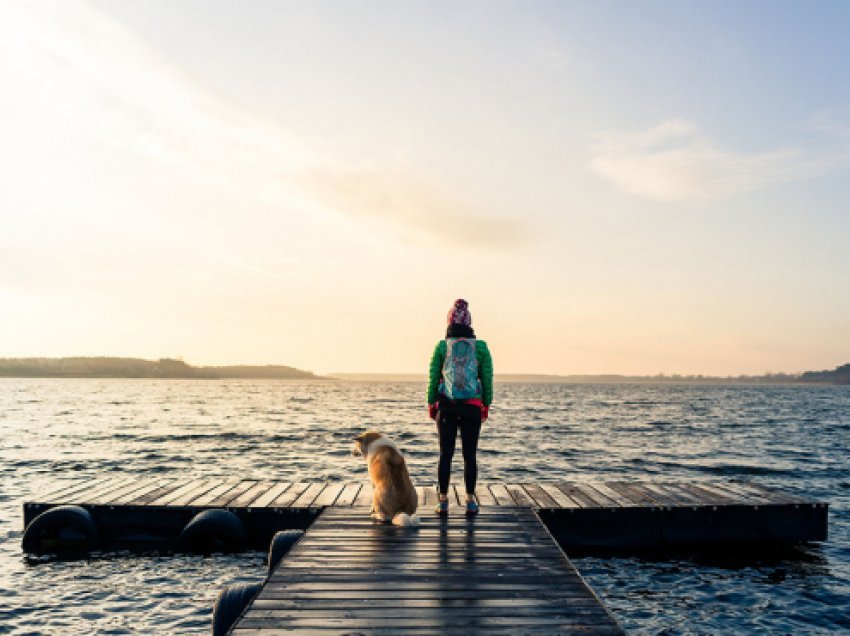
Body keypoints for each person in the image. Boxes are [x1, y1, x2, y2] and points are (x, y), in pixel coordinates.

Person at [427, 298, 493, 515]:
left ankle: (443, 501)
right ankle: (471, 501)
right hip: (472, 407)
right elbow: (487, 378)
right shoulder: (481, 347)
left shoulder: (441, 346)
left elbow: (434, 376)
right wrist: (486, 404)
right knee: (469, 455)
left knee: (445, 454)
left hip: (447, 405)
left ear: (449, 322)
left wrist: (431, 402)